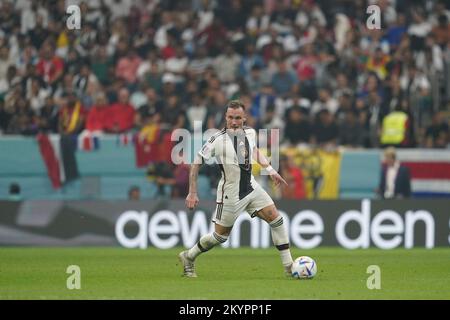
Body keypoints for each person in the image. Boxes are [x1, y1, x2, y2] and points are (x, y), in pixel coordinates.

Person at [179, 100, 293, 278]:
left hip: (251, 187)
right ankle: (189, 256)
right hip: (230, 194)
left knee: (276, 220)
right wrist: (193, 192)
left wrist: (270, 169)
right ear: (225, 117)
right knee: (220, 237)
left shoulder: (250, 132)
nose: (233, 122)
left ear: (244, 118)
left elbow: (254, 151)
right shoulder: (217, 140)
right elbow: (195, 164)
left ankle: (289, 267)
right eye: (230, 117)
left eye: (237, 118)